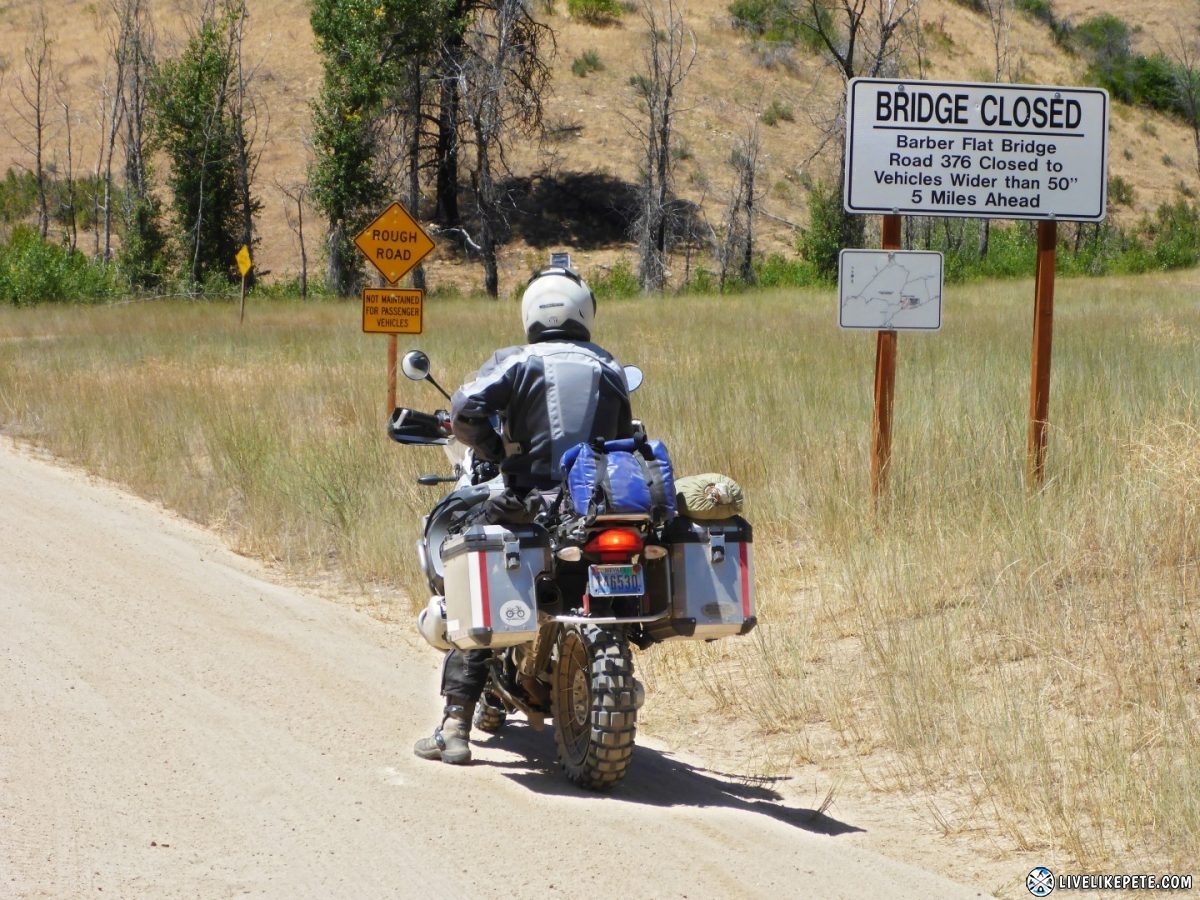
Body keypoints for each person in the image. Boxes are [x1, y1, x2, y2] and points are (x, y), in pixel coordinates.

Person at [413, 265, 635, 765]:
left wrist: (493, 447)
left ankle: (454, 727)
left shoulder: (517, 361)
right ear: (584, 311)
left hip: (529, 502)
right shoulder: (610, 367)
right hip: (597, 509)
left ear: (533, 310)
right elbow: (623, 435)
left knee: (474, 581)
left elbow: (467, 407)